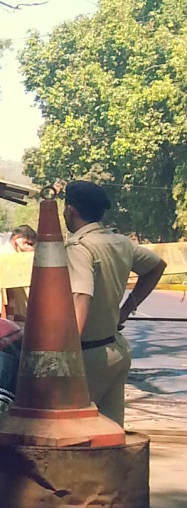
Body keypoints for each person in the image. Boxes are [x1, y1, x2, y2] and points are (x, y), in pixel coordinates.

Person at [62, 180, 166, 426]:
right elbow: (157, 266)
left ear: (71, 210)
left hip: (87, 356)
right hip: (115, 351)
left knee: (71, 431)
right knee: (110, 433)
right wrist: (126, 309)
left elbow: (80, 297)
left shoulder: (79, 247)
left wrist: (65, 355)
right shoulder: (120, 242)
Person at [0, 223, 37, 320]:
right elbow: (8, 296)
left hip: (15, 317)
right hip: (9, 317)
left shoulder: (13, 255)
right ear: (17, 239)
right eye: (28, 243)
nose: (30, 247)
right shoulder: (7, 256)